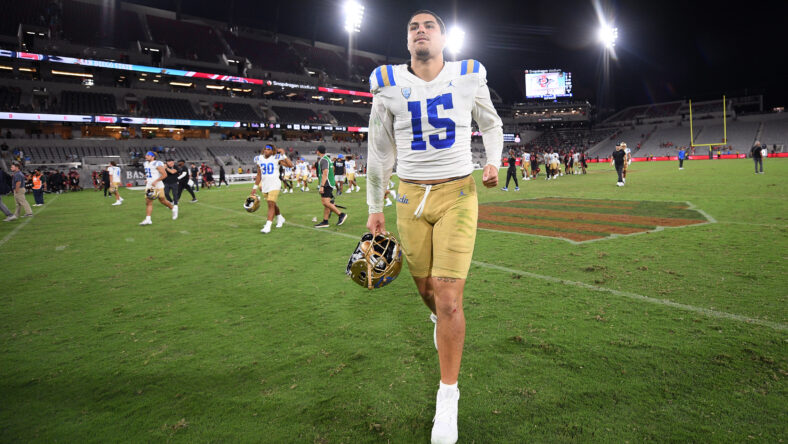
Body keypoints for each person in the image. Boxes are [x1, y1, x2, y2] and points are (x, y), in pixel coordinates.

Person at [365, 10, 502, 444]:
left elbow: (491, 122)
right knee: (427, 292)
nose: (420, 31)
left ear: (443, 37)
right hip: (408, 198)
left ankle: (448, 398)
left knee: (447, 297)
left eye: (429, 26)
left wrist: (494, 160)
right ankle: (440, 322)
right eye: (413, 27)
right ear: (407, 40)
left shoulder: (467, 74)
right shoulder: (386, 82)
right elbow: (379, 151)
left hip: (458, 193)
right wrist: (374, 207)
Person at [251, 144, 293, 233]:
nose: (266, 150)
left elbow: (290, 165)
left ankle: (268, 225)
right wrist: (254, 187)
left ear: (272, 151)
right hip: (265, 185)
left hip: (275, 184)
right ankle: (280, 217)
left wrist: (284, 155)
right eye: (265, 149)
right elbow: (259, 175)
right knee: (272, 204)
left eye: (268, 149)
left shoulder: (276, 158)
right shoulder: (259, 159)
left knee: (270, 204)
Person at [139, 151, 176, 225]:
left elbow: (164, 175)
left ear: (153, 157)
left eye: (148, 155)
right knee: (148, 202)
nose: (146, 156)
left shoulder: (157, 163)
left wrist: (156, 181)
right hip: (149, 185)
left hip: (158, 185)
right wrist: (147, 179)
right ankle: (148, 219)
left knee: (162, 200)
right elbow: (150, 173)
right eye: (146, 155)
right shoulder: (145, 163)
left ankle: (173, 209)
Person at [314, 145, 347, 227]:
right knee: (326, 203)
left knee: (325, 202)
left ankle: (341, 214)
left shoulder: (323, 160)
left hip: (326, 183)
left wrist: (322, 185)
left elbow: (325, 173)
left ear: (318, 151)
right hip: (330, 183)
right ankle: (325, 221)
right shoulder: (328, 159)